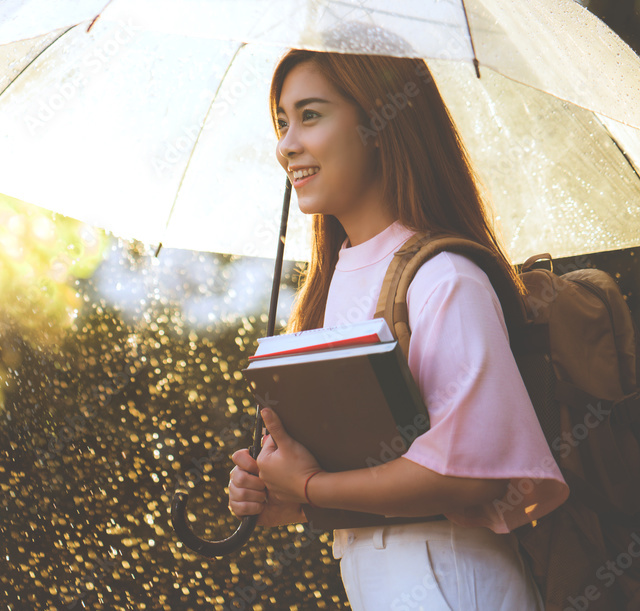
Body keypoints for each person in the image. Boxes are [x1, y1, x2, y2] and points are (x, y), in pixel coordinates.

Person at [227, 48, 570, 610]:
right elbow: (370, 468)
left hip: (452, 581)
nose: (287, 144)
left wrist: (311, 486)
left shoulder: (445, 277)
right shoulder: (335, 284)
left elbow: (468, 473)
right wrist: (285, 495)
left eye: (311, 115)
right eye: (282, 122)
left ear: (381, 123)